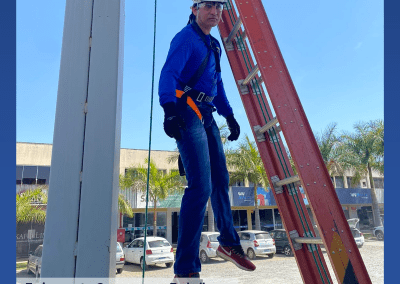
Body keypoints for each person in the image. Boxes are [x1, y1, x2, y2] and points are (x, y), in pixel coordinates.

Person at [158, 0, 256, 282]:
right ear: (195, 9)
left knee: (221, 180)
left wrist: (231, 116)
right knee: (201, 186)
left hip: (208, 114)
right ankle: (186, 269)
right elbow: (169, 74)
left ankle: (228, 241)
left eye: (219, 6)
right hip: (185, 109)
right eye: (208, 5)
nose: (215, 11)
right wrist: (169, 110)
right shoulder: (186, 38)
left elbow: (218, 84)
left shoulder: (213, 46)